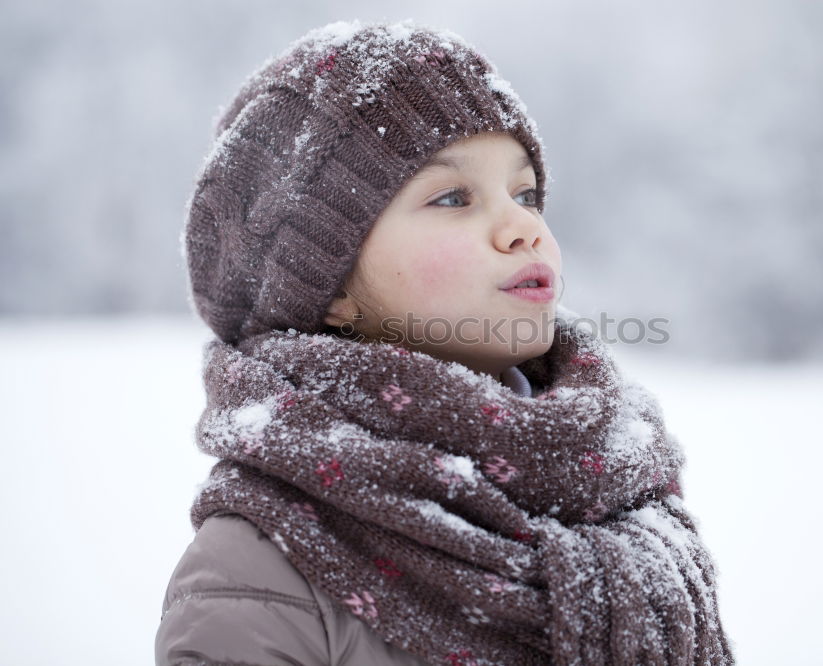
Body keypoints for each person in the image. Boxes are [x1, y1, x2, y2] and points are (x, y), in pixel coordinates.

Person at [155, 18, 735, 666]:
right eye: (454, 197)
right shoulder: (263, 568)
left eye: (526, 193)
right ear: (329, 285)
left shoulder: (625, 488)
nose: (522, 226)